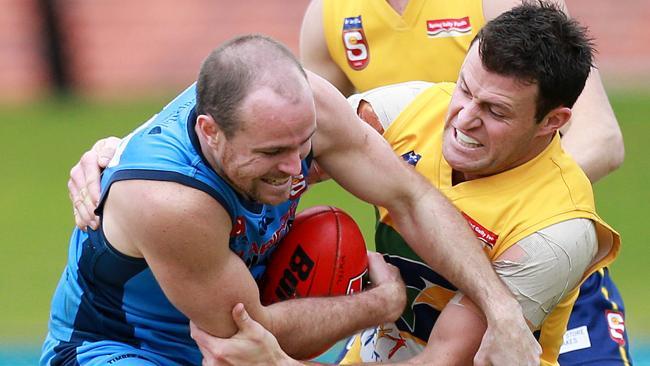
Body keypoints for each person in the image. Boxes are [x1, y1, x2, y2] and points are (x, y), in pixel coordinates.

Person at [43, 35, 540, 365]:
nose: (295, 167)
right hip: (117, 348)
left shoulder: (309, 108)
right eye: (272, 153)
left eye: (303, 145)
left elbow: (410, 198)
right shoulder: (173, 201)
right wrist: (382, 303)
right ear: (210, 132)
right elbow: (249, 336)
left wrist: (502, 311)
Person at [187, 3, 621, 365]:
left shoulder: (557, 233)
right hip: (381, 349)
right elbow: (271, 120)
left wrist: (280, 362)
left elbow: (443, 357)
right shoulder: (413, 106)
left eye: (496, 111)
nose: (464, 119)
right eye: (465, 89)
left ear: (554, 122)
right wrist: (134, 150)